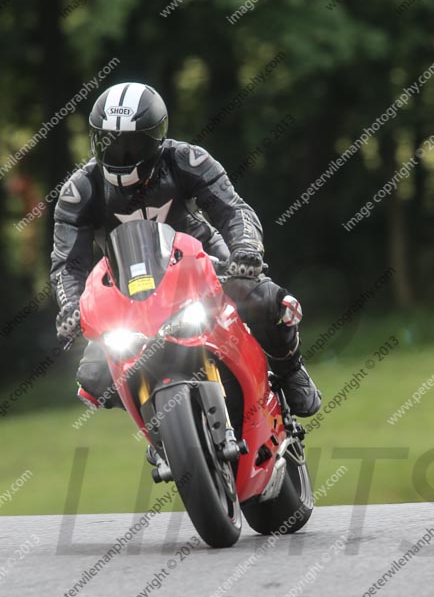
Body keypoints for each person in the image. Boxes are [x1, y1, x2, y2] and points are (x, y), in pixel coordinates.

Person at [50, 81, 321, 436]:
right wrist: (72, 307)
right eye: (110, 142)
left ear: (156, 139)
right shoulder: (79, 191)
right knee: (93, 376)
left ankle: (289, 369)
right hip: (126, 291)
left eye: (133, 143)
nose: (121, 153)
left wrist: (246, 250)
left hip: (201, 263)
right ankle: (159, 427)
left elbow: (233, 210)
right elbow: (67, 264)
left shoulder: (186, 160)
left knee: (263, 299)